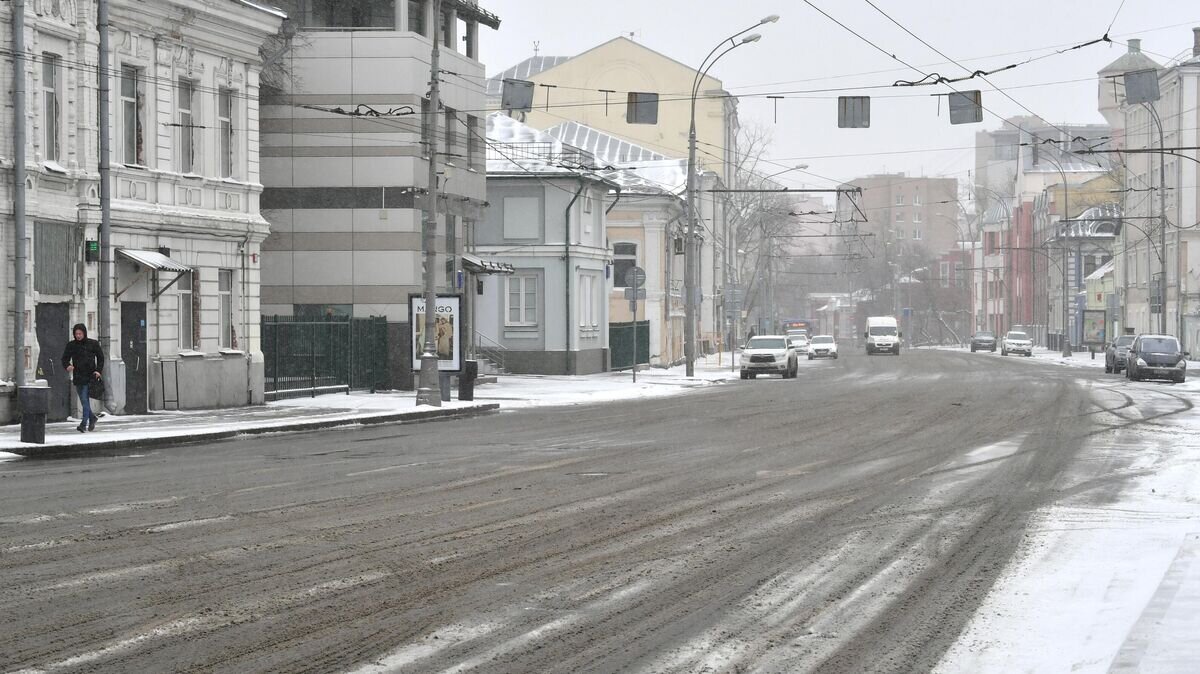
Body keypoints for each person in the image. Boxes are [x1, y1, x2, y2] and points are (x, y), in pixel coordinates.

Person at [61, 323, 104, 433]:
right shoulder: (71, 345)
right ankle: (92, 418)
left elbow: (101, 357)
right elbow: (64, 358)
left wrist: (98, 370)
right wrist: (68, 366)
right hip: (78, 375)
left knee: (84, 400)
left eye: (80, 333)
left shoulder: (92, 344)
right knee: (83, 400)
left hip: (90, 376)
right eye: (76, 334)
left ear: (84, 333)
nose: (78, 336)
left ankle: (83, 424)